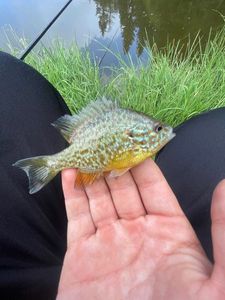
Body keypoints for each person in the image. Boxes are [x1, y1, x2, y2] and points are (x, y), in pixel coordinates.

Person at [0, 50, 225, 300]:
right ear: (134, 138)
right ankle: (49, 166)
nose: (165, 131)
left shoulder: (135, 146)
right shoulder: (133, 145)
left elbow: (121, 165)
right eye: (158, 129)